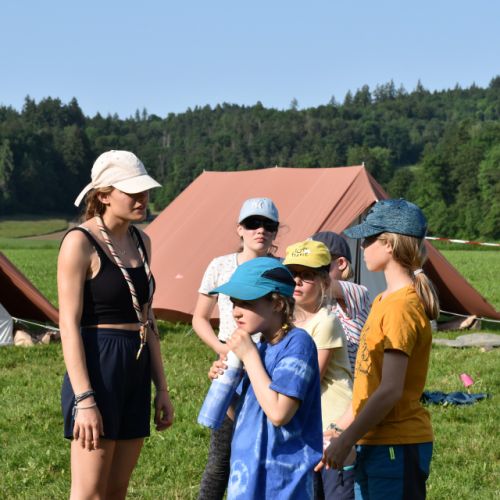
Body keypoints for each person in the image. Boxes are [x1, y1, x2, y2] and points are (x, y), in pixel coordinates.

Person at [59, 150, 174, 499]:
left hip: (135, 365)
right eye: (132, 192)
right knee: (89, 492)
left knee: (116, 490)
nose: (143, 199)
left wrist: (162, 387)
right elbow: (68, 324)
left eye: (145, 191)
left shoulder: (142, 241)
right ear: (105, 195)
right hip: (99, 365)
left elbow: (147, 318)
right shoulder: (80, 242)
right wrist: (85, 398)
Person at [318, 199, 439, 500]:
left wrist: (347, 439)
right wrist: (336, 431)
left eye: (368, 239)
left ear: (388, 245)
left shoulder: (401, 307)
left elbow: (390, 390)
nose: (361, 246)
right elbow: (367, 385)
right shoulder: (383, 300)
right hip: (373, 442)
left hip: (396, 446)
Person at [208, 257, 323, 499]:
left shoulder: (298, 344)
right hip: (248, 476)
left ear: (277, 304)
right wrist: (225, 385)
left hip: (283, 482)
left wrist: (249, 357)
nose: (236, 312)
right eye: (234, 303)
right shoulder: (260, 348)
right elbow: (241, 416)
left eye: (246, 303)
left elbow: (279, 413)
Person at [193, 197, 280, 500]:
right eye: (253, 223)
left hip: (271, 367)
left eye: (268, 225)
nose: (261, 230)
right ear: (239, 229)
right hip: (231, 369)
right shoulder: (221, 265)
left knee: (265, 451)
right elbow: (199, 318)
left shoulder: (281, 269)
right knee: (221, 457)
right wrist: (221, 349)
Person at [283, 240, 354, 500]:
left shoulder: (326, 321)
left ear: (324, 281)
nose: (297, 281)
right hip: (304, 425)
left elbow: (309, 380)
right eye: (292, 274)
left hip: (330, 427)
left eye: (307, 275)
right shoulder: (284, 324)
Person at [310, 231, 371, 372]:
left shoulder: (357, 292)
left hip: (352, 381)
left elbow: (322, 285)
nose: (309, 270)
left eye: (318, 263)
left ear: (341, 263)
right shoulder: (314, 301)